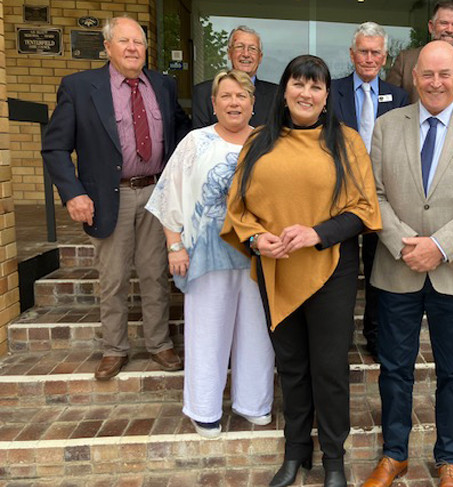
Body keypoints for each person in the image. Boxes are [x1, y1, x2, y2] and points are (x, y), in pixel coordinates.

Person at [221, 55, 381, 487]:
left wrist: (317, 233)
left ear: (327, 96)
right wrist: (255, 239)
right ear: (285, 90)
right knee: (290, 366)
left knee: (329, 369)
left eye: (316, 86)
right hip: (277, 268)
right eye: (298, 83)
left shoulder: (346, 142)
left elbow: (364, 209)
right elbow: (238, 209)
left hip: (331, 268)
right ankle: (295, 453)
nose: (306, 93)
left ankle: (333, 458)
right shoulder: (259, 142)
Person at [363, 41, 453, 487]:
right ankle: (395, 455)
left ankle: (449, 459)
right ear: (414, 76)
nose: (436, 82)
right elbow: (375, 194)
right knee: (395, 368)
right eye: (428, 74)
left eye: (445, 74)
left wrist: (438, 246)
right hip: (398, 266)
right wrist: (407, 245)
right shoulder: (387, 126)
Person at [41, 16, 190, 381]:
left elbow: (182, 132)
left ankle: (159, 344)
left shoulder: (163, 84)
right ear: (108, 47)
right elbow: (55, 147)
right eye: (124, 41)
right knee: (114, 277)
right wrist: (73, 193)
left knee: (156, 273)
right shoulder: (79, 87)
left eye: (138, 42)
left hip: (157, 192)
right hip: (111, 195)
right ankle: (114, 348)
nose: (132, 48)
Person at [145, 70, 275, 438]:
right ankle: (204, 407)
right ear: (213, 103)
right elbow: (170, 194)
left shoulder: (267, 142)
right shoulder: (194, 143)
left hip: (257, 255)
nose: (234, 102)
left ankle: (254, 402)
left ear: (252, 103)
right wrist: (174, 245)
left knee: (257, 332)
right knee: (207, 331)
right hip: (206, 255)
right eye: (227, 96)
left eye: (242, 96)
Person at [330, 21, 409, 359]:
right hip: (340, 197)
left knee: (379, 267)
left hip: (382, 196)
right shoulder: (332, 91)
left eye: (375, 52)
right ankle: (340, 334)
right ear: (352, 54)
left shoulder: (400, 95)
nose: (368, 57)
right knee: (341, 269)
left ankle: (375, 334)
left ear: (384, 56)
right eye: (363, 50)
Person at [386, 0, 453, 105]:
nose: (450, 29)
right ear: (431, 26)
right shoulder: (406, 61)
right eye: (444, 23)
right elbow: (390, 103)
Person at [192, 25, 277, 128]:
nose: (246, 54)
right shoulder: (203, 92)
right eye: (240, 47)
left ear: (260, 57)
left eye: (252, 49)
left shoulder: (276, 95)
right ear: (229, 53)